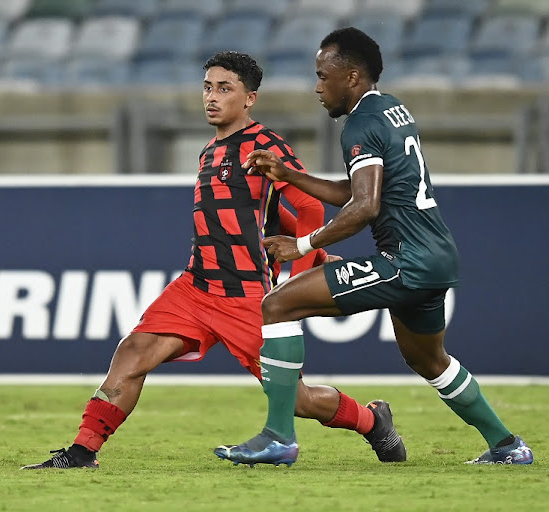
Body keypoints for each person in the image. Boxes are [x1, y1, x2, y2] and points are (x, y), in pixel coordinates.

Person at [21, 51, 405, 470]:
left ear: (250, 98)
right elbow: (269, 213)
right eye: (208, 87)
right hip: (195, 287)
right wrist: (281, 237)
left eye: (225, 88)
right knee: (132, 352)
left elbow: (310, 208)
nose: (212, 97)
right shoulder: (209, 152)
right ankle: (81, 452)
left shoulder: (265, 144)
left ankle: (372, 421)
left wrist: (299, 263)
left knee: (295, 400)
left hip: (246, 296)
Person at [215, 28, 534, 466]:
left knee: (277, 305)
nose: (316, 87)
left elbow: (364, 207)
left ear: (351, 76)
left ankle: (279, 437)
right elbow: (364, 190)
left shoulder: (360, 124)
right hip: (436, 254)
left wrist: (302, 243)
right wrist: (290, 176)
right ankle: (507, 445)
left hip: (405, 259)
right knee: (428, 359)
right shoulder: (391, 109)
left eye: (323, 76)